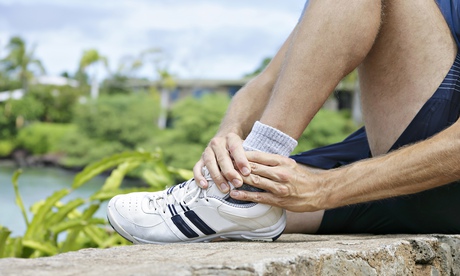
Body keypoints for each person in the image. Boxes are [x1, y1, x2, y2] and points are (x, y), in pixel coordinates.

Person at [107, 0, 460, 243]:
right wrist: (229, 133)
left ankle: (237, 199)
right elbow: (268, 80)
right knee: (251, 207)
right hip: (390, 167)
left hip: (445, 173)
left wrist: (325, 189)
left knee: (248, 198)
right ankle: (237, 196)